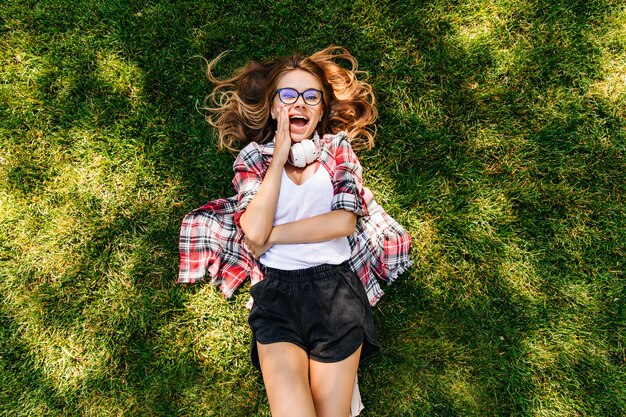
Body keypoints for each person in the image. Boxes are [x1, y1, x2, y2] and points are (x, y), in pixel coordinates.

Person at [178, 46, 412, 417]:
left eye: (310, 96)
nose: (299, 103)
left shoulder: (338, 151)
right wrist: (280, 152)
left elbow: (343, 222)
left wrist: (271, 236)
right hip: (277, 296)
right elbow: (252, 229)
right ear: (274, 108)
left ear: (320, 111)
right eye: (288, 95)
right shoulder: (254, 159)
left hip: (335, 291)